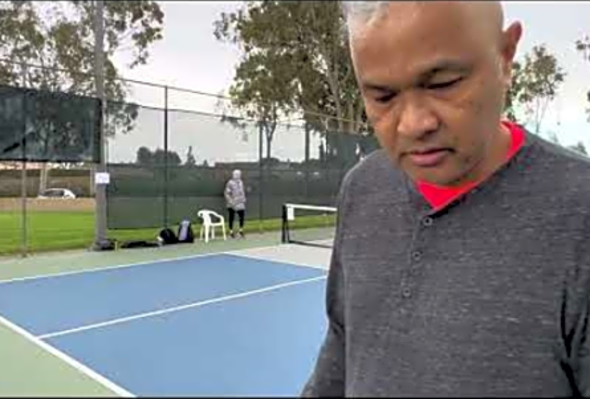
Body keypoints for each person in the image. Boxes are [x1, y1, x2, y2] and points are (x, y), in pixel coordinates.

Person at [302, 1, 590, 397]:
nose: (414, 123)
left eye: (443, 84)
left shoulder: (580, 213)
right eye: (383, 97)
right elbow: (344, 341)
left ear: (505, 56)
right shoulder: (361, 189)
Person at [224, 169, 246, 238]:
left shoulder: (241, 182)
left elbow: (242, 191)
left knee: (242, 216)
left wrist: (243, 198)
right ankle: (231, 232)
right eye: (237, 174)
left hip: (240, 203)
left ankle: (241, 231)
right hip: (232, 204)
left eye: (239, 174)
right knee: (231, 217)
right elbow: (227, 193)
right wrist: (231, 202)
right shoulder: (230, 183)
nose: (238, 175)